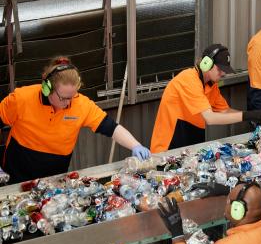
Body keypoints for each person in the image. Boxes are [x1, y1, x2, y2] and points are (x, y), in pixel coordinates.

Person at [0, 57, 151, 184]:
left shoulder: (81, 104)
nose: (68, 103)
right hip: (15, 179)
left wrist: (135, 145)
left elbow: (111, 127)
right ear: (47, 88)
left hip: (53, 182)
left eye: (71, 97)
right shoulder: (21, 99)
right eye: (63, 98)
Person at [150, 44, 261, 153]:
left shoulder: (211, 85)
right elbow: (210, 118)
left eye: (225, 70)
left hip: (189, 145)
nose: (223, 74)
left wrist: (254, 115)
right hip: (168, 148)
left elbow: (225, 111)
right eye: (220, 69)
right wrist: (248, 116)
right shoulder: (188, 80)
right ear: (206, 63)